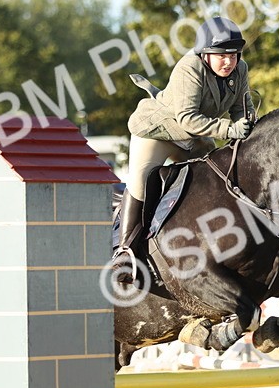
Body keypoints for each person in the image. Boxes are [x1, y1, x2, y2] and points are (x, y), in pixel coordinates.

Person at [110, 16, 257, 283]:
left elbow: (240, 109)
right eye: (221, 55)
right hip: (159, 131)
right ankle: (125, 251)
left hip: (196, 135)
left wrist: (248, 126)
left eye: (233, 55)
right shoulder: (189, 68)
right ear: (205, 55)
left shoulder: (240, 69)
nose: (229, 61)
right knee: (141, 182)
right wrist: (229, 130)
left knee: (215, 176)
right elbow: (186, 118)